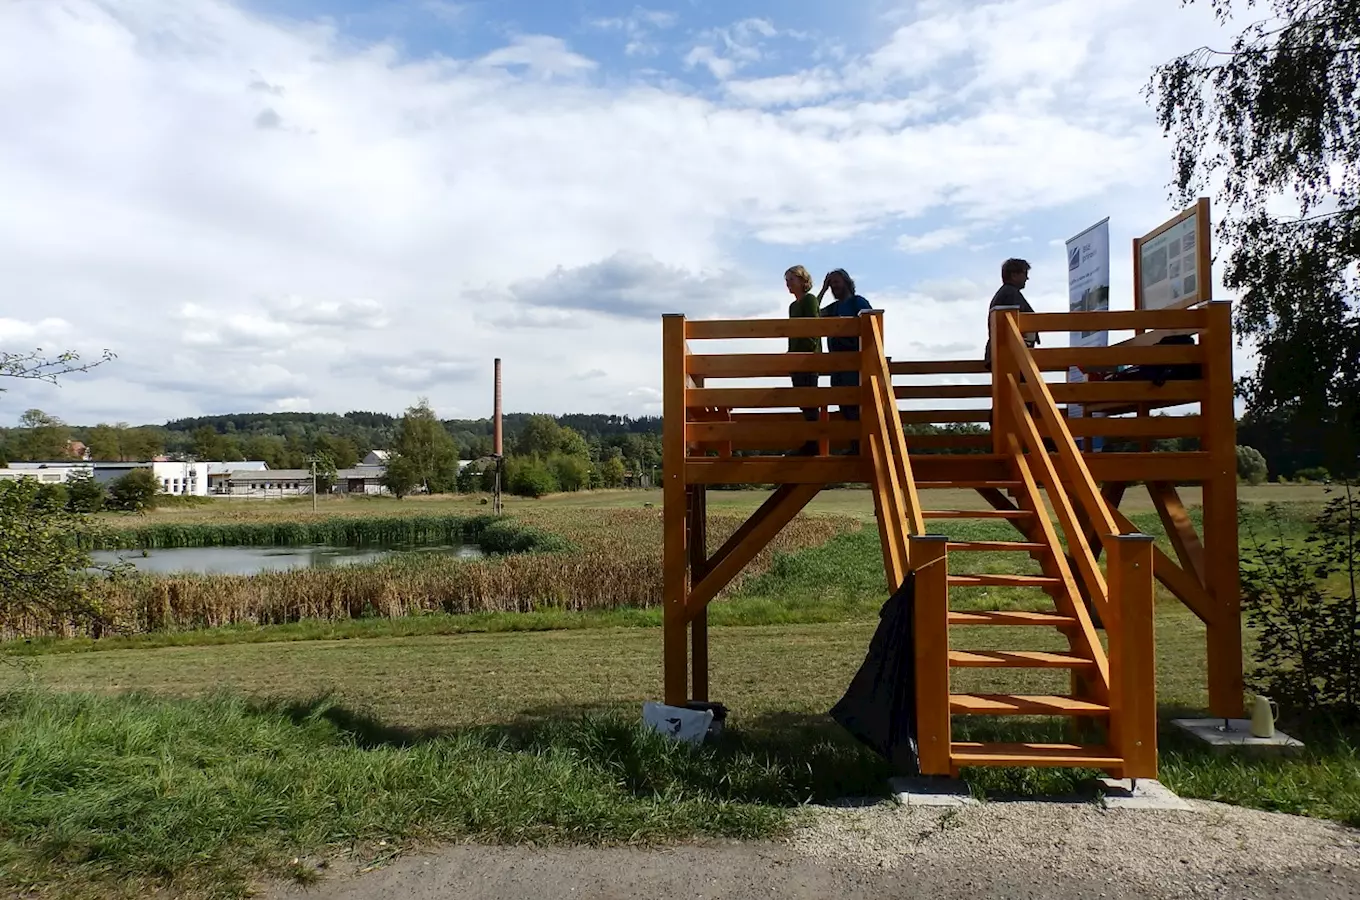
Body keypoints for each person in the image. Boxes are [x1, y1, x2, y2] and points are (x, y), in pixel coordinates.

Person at [818, 269, 872, 453]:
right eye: (831, 283)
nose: (834, 286)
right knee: (844, 405)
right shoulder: (833, 307)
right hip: (837, 365)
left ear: (847, 282)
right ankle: (855, 445)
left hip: (854, 362)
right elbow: (812, 315)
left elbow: (872, 325)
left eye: (836, 282)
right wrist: (823, 290)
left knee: (856, 404)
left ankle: (862, 445)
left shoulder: (858, 302)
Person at [785, 265, 822, 455]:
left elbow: (813, 329)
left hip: (808, 359)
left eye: (791, 279)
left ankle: (813, 443)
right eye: (787, 280)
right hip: (795, 359)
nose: (788, 284)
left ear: (802, 280)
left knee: (810, 401)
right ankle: (810, 442)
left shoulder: (810, 299)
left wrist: (806, 353)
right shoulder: (793, 306)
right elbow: (792, 334)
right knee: (802, 401)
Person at [982, 258, 1039, 371]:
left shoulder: (1007, 293)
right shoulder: (1010, 294)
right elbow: (1015, 323)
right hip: (1010, 353)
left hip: (1005, 352)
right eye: (1025, 273)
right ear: (1014, 275)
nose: (1027, 278)